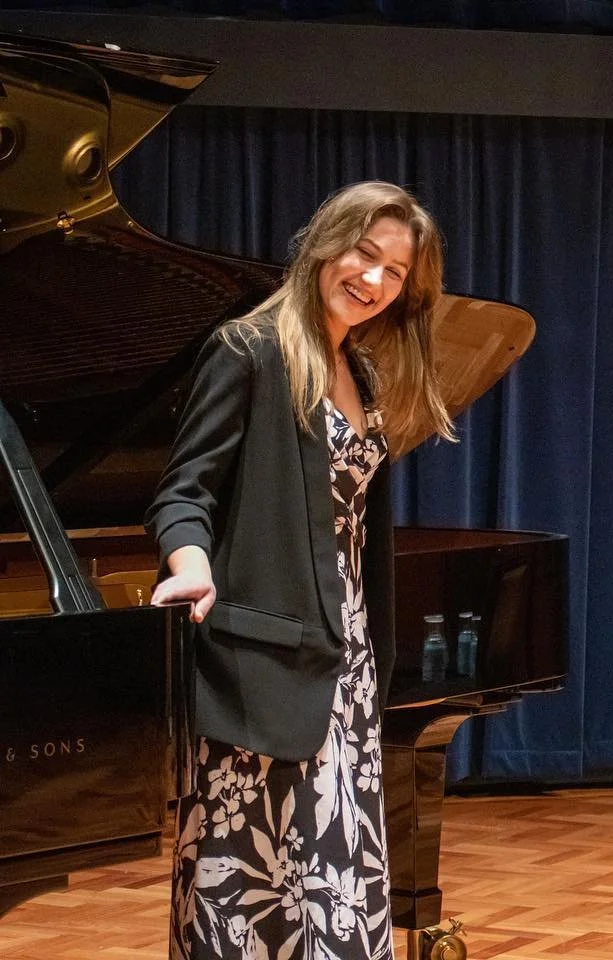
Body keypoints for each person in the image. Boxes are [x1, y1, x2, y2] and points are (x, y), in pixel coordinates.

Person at [146, 181, 455, 960]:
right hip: (261, 666)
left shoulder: (365, 373)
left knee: (338, 887)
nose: (374, 279)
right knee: (248, 897)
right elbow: (184, 491)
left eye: (395, 272)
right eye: (364, 253)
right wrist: (192, 565)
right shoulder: (247, 351)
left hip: (345, 664)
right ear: (326, 242)